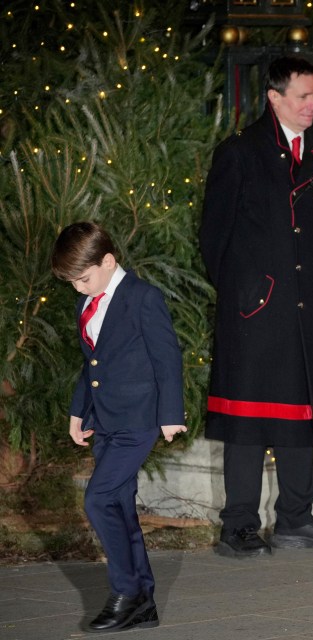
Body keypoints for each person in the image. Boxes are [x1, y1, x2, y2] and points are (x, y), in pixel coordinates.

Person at [200, 56, 313, 558]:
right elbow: (213, 237)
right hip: (254, 311)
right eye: (303, 96)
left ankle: (294, 518)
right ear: (274, 97)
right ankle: (239, 526)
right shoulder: (240, 152)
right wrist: (247, 293)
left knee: (299, 414)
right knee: (245, 422)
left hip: (305, 307)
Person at [52, 221, 188, 632]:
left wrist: (171, 415)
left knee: (97, 499)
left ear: (108, 261)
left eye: (83, 278)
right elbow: (92, 362)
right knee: (119, 506)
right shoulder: (87, 303)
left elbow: (168, 359)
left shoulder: (143, 297)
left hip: (139, 420)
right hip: (106, 420)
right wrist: (79, 411)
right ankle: (143, 601)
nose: (78, 288)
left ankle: (124, 591)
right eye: (72, 281)